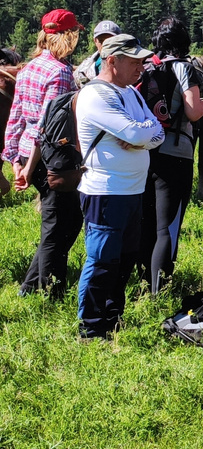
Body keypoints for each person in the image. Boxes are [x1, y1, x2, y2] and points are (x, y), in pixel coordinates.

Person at [75, 34, 165, 339]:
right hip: (105, 192)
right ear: (112, 60)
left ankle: (113, 318)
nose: (142, 67)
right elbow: (139, 133)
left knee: (125, 259)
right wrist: (141, 133)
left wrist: (142, 133)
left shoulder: (133, 94)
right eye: (135, 61)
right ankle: (90, 328)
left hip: (132, 192)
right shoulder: (95, 95)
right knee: (102, 260)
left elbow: (156, 132)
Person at [5, 10, 82, 298]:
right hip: (51, 158)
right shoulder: (60, 72)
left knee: (63, 220)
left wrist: (15, 160)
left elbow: (17, 117)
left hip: (28, 154)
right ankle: (50, 290)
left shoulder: (28, 69)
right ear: (68, 36)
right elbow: (47, 127)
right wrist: (29, 166)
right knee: (58, 225)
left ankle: (31, 285)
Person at [137, 17, 203, 294]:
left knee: (147, 219)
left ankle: (143, 282)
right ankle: (160, 289)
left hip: (145, 152)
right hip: (176, 153)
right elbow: (192, 112)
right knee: (167, 224)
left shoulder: (146, 67)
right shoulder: (184, 68)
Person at [73, 20, 121, 88]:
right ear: (95, 41)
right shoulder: (84, 68)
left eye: (110, 41)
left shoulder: (131, 65)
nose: (105, 45)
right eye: (101, 41)